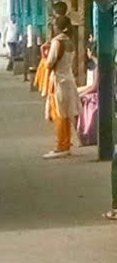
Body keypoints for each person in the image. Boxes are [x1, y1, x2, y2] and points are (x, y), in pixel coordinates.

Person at [43, 15, 81, 159]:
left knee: (58, 114)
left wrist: (44, 56)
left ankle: (61, 145)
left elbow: (50, 62)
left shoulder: (57, 42)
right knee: (65, 113)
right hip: (68, 79)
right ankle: (66, 143)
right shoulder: (70, 42)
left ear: (57, 27)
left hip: (58, 80)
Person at [78, 47, 99, 147]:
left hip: (97, 97)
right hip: (98, 93)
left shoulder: (97, 66)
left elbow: (94, 86)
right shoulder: (98, 65)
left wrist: (81, 93)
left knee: (83, 101)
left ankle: (86, 134)